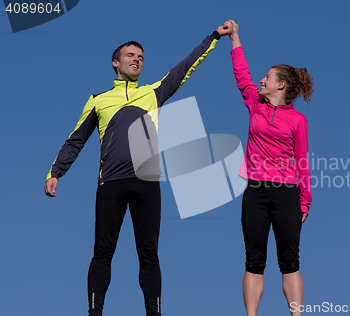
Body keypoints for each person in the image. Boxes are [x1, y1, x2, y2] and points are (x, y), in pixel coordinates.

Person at [44, 23, 232, 316]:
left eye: (141, 57)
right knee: (103, 252)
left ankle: (153, 313)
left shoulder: (153, 93)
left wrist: (214, 37)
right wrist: (56, 172)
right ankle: (95, 312)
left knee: (149, 254)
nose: (137, 60)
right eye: (131, 55)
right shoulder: (99, 100)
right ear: (115, 63)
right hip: (112, 184)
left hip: (147, 184)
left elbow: (185, 67)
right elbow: (76, 139)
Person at [226, 20, 313, 316]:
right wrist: (235, 38)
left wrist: (305, 200)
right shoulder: (255, 104)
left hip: (287, 193)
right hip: (256, 192)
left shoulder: (297, 121)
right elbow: (242, 76)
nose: (261, 81)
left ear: (281, 84)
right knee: (254, 261)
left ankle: (296, 313)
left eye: (267, 78)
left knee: (290, 261)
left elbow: (302, 162)